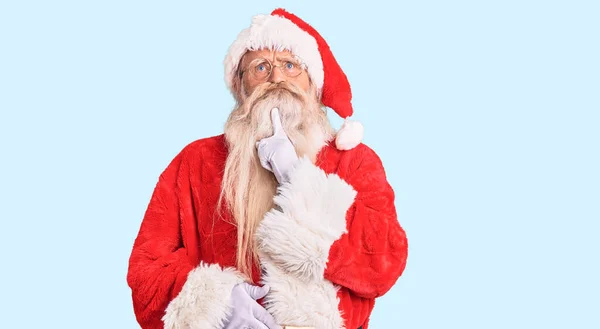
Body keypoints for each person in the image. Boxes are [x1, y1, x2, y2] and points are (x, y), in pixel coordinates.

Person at [127, 8, 408, 329]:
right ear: (239, 85)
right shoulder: (195, 161)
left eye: (290, 65)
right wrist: (215, 304)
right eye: (261, 67)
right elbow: (145, 269)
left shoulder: (354, 160)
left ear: (313, 83)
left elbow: (383, 265)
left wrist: (298, 180)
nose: (277, 78)